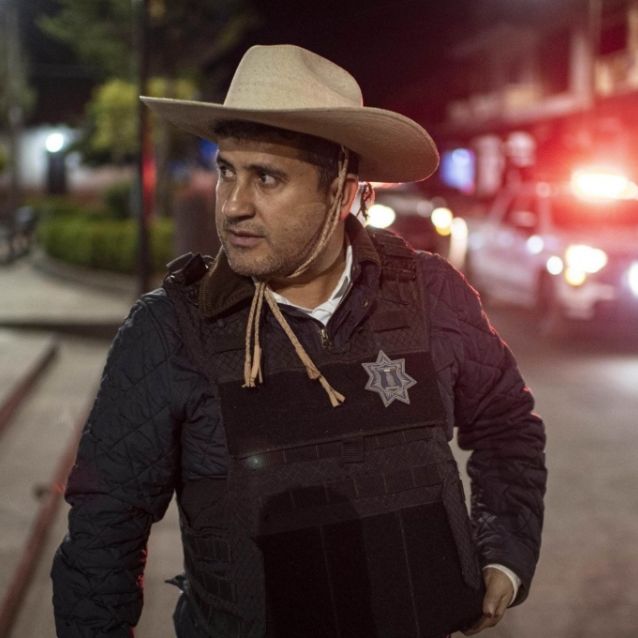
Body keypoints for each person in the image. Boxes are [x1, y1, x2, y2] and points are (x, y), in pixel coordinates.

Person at [51, 44, 546, 638]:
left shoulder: (430, 294)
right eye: (227, 171)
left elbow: (506, 425)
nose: (234, 204)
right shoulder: (168, 331)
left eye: (267, 177)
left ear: (342, 193)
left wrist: (504, 552)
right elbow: (104, 530)